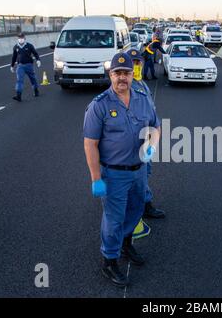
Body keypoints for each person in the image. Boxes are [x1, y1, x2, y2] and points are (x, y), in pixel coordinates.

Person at [83, 52, 161, 287]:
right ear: (110, 75)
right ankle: (109, 260)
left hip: (138, 171)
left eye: (126, 72)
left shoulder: (141, 97)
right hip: (114, 173)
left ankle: (126, 246)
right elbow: (90, 143)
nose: (122, 78)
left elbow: (155, 125)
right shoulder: (99, 105)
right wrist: (96, 177)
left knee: (135, 211)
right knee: (114, 219)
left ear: (131, 74)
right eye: (117, 73)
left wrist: (151, 145)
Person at [127, 48, 166, 220]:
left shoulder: (141, 83)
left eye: (138, 63)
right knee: (138, 174)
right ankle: (142, 205)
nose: (136, 66)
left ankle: (141, 202)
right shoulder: (127, 86)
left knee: (145, 172)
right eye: (133, 63)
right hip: (134, 140)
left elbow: (150, 111)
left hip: (147, 137)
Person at [10, 33, 41, 102]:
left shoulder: (29, 46)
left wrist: (38, 60)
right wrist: (12, 66)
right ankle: (18, 95)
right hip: (20, 66)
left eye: (22, 38)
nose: (20, 39)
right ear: (17, 39)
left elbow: (35, 53)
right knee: (19, 80)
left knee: (33, 79)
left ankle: (36, 91)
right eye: (19, 38)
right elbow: (14, 57)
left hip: (29, 65)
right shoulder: (16, 47)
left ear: (24, 38)